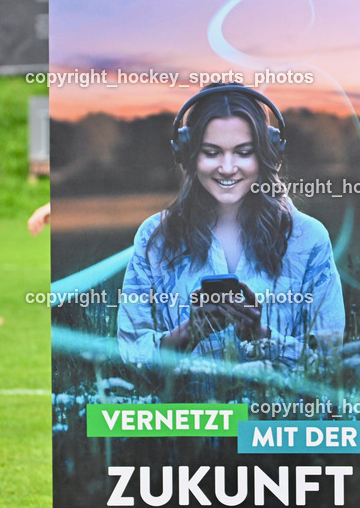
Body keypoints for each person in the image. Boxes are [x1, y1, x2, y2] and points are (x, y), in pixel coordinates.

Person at [118, 83, 345, 379]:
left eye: (243, 152)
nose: (227, 167)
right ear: (187, 154)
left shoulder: (309, 238)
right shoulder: (155, 237)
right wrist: (187, 335)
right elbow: (130, 353)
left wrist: (262, 336)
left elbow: (331, 365)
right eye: (211, 152)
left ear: (266, 153)